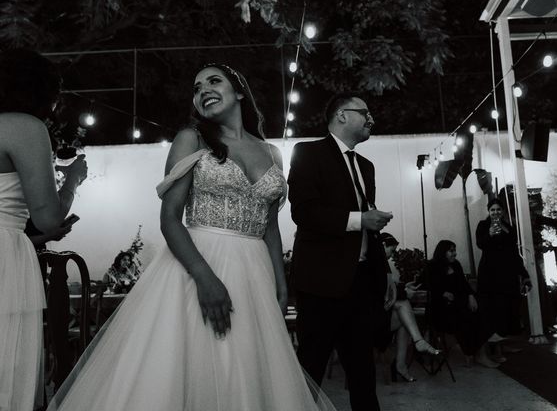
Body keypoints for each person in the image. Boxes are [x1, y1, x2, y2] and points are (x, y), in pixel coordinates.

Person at [47, 64, 336, 410]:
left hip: (254, 272)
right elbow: (169, 219)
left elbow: (270, 226)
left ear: (240, 92)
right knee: (196, 365)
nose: (203, 91)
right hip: (199, 263)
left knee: (250, 370)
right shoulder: (192, 139)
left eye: (214, 82)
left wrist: (280, 280)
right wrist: (204, 277)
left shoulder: (272, 152)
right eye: (197, 87)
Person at [288, 93, 393, 411]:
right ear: (342, 115)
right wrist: (361, 219)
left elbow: (370, 226)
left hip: (361, 283)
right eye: (365, 113)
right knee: (310, 369)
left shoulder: (366, 166)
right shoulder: (308, 153)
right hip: (321, 283)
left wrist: (386, 271)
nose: (370, 120)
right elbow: (304, 213)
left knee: (363, 372)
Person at [0, 48, 87, 411]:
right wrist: (72, 181)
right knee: (8, 369)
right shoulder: (22, 127)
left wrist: (38, 239)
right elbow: (50, 216)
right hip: (6, 264)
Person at [424, 240, 498, 368]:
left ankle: (478, 352)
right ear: (443, 252)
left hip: (458, 303)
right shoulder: (432, 266)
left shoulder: (456, 265)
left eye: (455, 250)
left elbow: (464, 284)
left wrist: (470, 296)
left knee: (481, 309)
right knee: (467, 316)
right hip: (441, 309)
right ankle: (474, 353)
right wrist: (442, 293)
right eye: (451, 251)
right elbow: (425, 285)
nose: (455, 254)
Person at [379, 232, 440, 382]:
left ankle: (401, 363)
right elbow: (382, 292)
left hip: (380, 314)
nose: (391, 255)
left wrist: (403, 288)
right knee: (404, 308)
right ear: (382, 246)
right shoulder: (375, 263)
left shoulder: (382, 263)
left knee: (404, 319)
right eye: (391, 251)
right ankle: (417, 344)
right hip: (371, 320)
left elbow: (388, 289)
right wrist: (403, 292)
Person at [475, 198, 532, 360]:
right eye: (492, 210)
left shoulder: (509, 228)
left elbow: (514, 253)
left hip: (507, 274)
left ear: (503, 211)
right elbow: (480, 244)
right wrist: (490, 235)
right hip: (489, 274)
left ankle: (503, 344)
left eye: (498, 209)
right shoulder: (483, 225)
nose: (495, 213)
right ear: (488, 211)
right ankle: (495, 349)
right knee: (493, 309)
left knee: (507, 309)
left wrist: (525, 275)